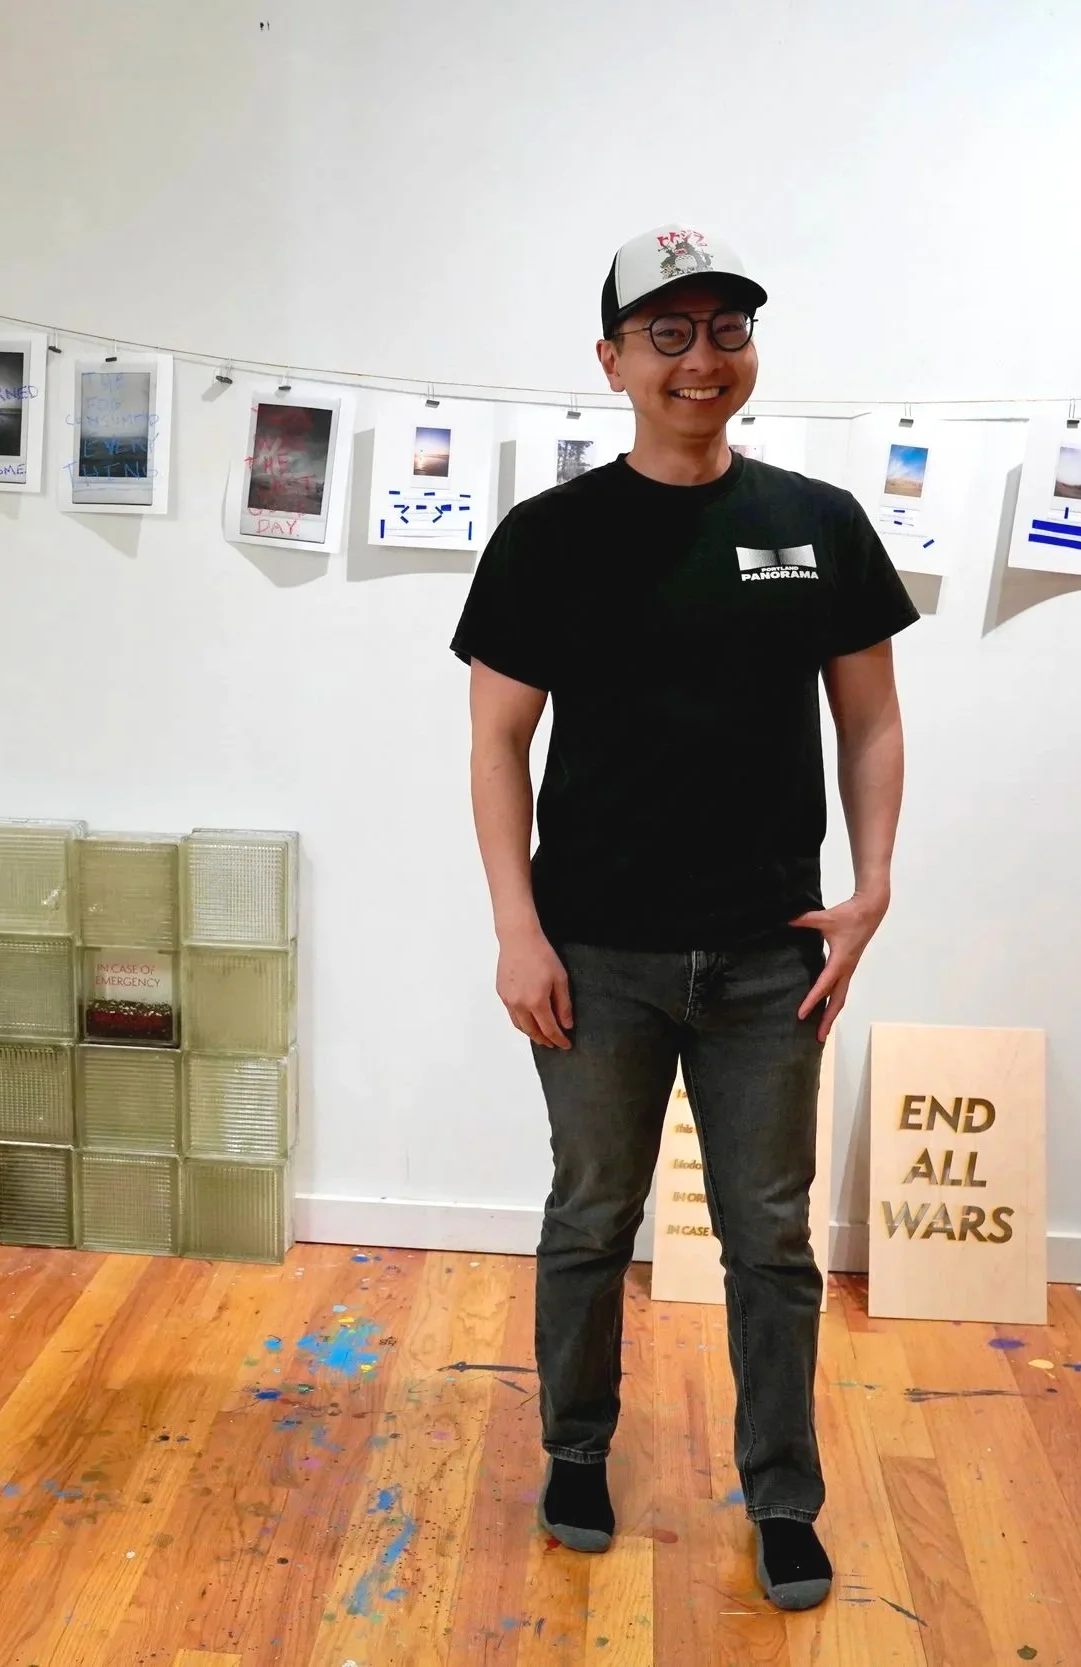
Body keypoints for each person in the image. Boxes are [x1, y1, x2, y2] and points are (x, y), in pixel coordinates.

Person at [450, 224, 915, 1611]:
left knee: (771, 1237)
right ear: (613, 361)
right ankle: (577, 1451)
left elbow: (873, 718)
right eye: (669, 333)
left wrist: (873, 881)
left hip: (774, 952)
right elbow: (495, 746)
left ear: (748, 355)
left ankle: (783, 1495)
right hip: (594, 949)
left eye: (724, 330)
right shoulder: (550, 540)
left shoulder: (817, 522)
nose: (700, 358)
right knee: (592, 1212)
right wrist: (516, 927)